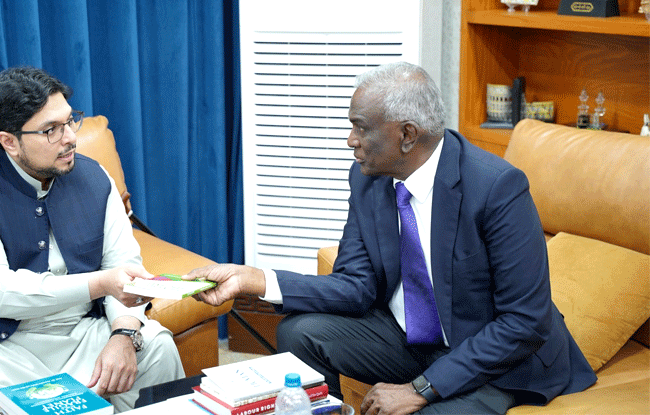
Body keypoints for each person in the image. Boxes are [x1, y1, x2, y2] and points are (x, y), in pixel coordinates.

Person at [184, 62, 596, 415]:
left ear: (407, 135)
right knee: (300, 332)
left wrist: (420, 389)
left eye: (360, 128)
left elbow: (524, 322)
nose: (351, 141)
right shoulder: (369, 182)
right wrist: (254, 280)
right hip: (412, 339)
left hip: (496, 358)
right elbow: (355, 285)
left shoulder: (496, 187)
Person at [0, 66, 184, 415]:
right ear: (9, 142)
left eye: (71, 120)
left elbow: (125, 266)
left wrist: (123, 335)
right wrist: (101, 283)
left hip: (79, 331)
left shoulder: (94, 177)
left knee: (157, 349)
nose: (71, 137)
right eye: (51, 131)